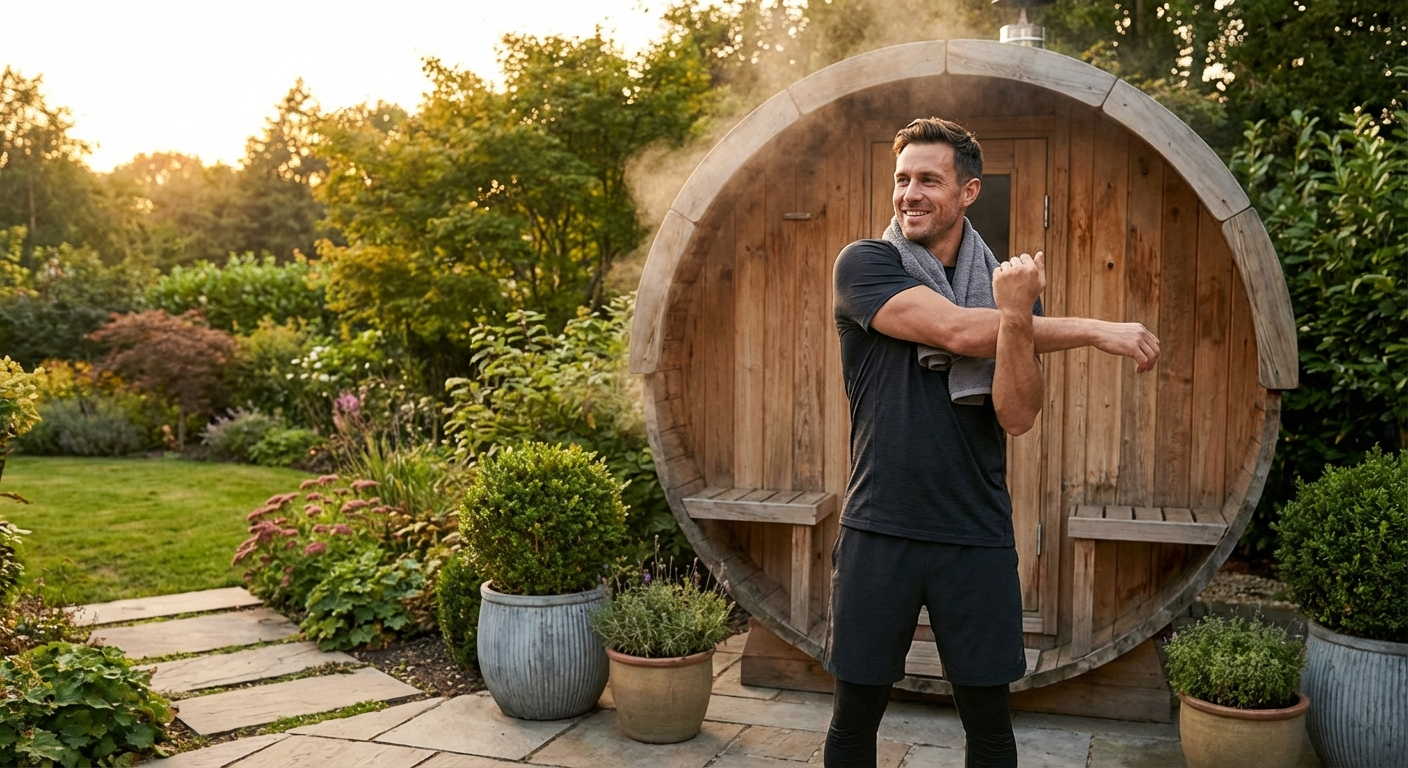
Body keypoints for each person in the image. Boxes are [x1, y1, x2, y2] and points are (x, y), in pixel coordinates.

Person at [823, 117, 1160, 768]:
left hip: (975, 532)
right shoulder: (866, 265)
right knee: (855, 715)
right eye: (902, 179)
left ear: (969, 192)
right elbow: (953, 330)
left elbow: (1016, 415)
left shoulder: (1004, 288)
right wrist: (1088, 327)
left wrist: (1017, 319)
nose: (909, 194)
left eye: (928, 179)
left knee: (989, 722)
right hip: (879, 527)